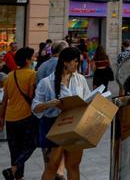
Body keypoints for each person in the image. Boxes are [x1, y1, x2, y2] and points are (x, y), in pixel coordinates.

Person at [32, 48, 88, 180]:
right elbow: (35, 108)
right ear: (64, 62)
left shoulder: (80, 79)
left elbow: (87, 98)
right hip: (53, 126)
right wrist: (49, 104)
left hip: (75, 126)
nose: (77, 65)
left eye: (78, 62)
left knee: (73, 166)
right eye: (75, 62)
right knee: (52, 166)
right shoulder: (46, 83)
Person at [0, 47, 37, 180]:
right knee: (30, 144)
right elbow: (32, 96)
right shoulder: (33, 74)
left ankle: (17, 176)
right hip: (25, 117)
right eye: (32, 57)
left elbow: (4, 100)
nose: (33, 59)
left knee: (14, 150)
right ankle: (14, 169)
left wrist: (1, 118)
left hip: (10, 118)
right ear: (27, 60)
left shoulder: (10, 75)